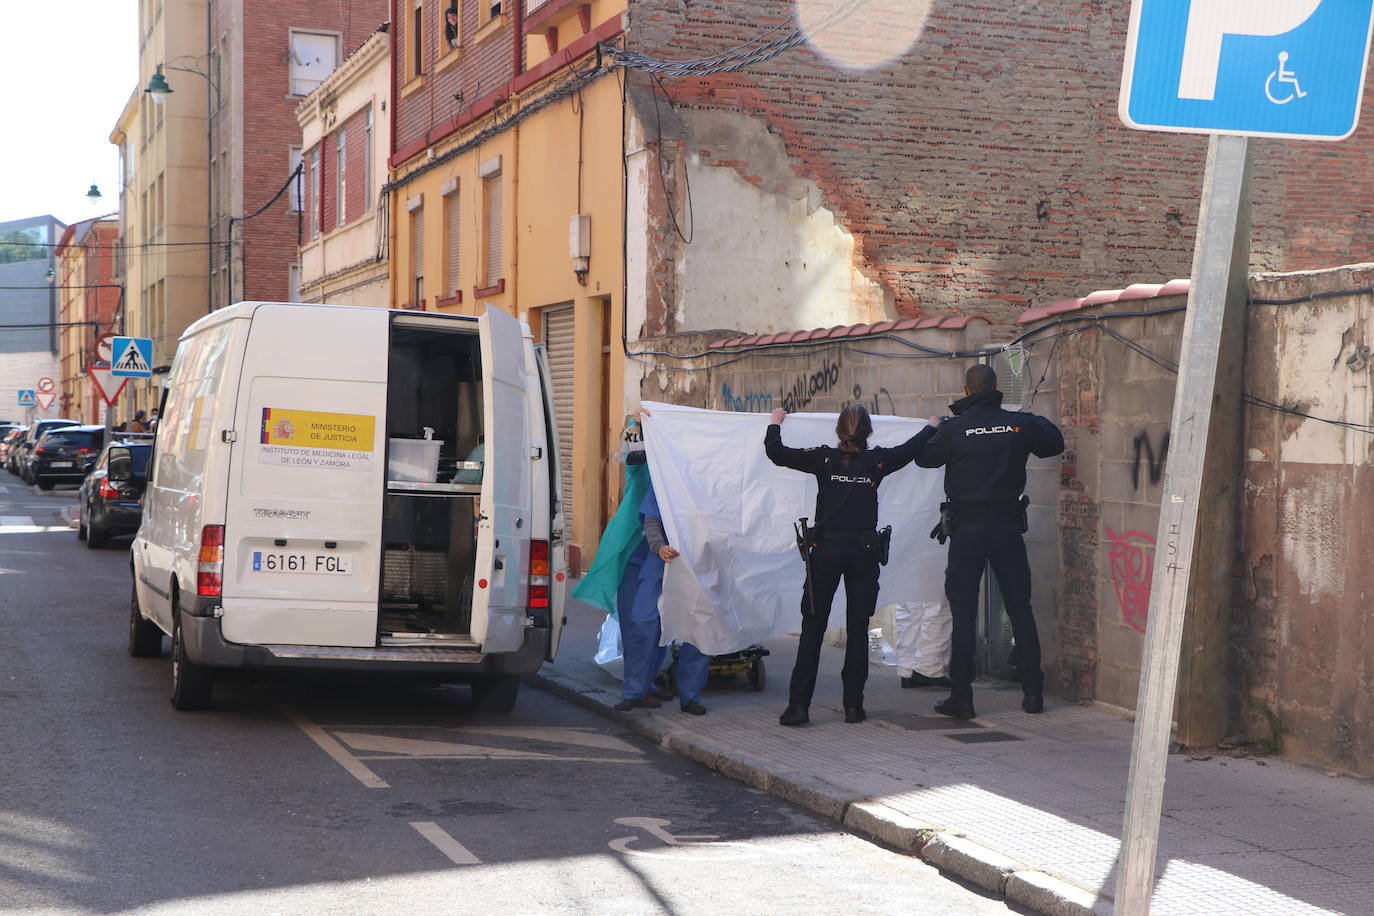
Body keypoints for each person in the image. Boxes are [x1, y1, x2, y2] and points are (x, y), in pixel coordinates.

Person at [912, 363, 1064, 719]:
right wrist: (1030, 418)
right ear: (996, 388)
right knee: (1020, 609)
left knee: (964, 613)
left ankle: (961, 698)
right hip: (1006, 526)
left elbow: (924, 459)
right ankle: (1033, 695)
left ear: (966, 391)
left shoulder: (954, 428)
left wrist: (930, 428)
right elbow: (1053, 443)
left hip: (967, 529)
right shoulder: (1018, 423)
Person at [765, 404, 925, 726]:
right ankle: (854, 707)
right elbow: (911, 449)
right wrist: (932, 427)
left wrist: (775, 423)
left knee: (813, 629)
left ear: (838, 431)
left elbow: (776, 453)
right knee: (857, 630)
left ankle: (799, 707)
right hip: (863, 553)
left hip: (825, 552)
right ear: (868, 432)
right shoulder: (877, 461)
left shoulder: (823, 458)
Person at [617, 483, 711, 715]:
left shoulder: (715, 478)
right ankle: (634, 692)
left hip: (702, 565)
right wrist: (658, 547)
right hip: (662, 563)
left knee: (699, 629)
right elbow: (652, 520)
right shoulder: (666, 470)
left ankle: (690, 697)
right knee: (643, 623)